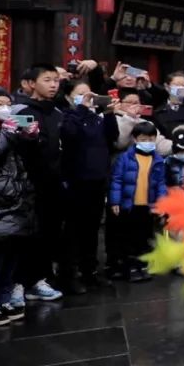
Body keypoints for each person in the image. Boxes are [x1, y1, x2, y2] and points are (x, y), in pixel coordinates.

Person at [0, 87, 39, 326]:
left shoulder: (10, 129)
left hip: (18, 197)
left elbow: (30, 158)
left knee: (12, 253)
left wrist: (29, 137)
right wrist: (5, 132)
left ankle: (3, 296)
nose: (4, 109)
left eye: (7, 104)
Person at [58, 81, 119, 294]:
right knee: (74, 230)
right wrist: (82, 108)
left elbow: (113, 138)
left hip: (97, 181)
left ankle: (90, 271)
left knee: (92, 230)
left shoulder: (96, 118)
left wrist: (110, 113)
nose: (87, 98)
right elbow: (70, 135)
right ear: (68, 97)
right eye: (80, 94)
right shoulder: (67, 116)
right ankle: (69, 275)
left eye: (89, 94)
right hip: (76, 182)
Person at [15, 63, 65, 301]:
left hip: (54, 184)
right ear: (31, 84)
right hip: (27, 185)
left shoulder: (57, 113)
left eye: (56, 80)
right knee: (26, 235)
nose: (53, 84)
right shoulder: (22, 111)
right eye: (47, 79)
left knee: (49, 233)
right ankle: (18, 283)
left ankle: (39, 280)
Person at [109, 122, 168, 282]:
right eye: (143, 139)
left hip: (146, 206)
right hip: (129, 206)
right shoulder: (125, 158)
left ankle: (142, 266)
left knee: (143, 238)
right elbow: (117, 180)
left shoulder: (157, 160)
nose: (147, 142)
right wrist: (115, 201)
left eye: (151, 139)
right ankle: (130, 268)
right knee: (128, 238)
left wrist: (161, 204)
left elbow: (161, 184)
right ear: (135, 139)